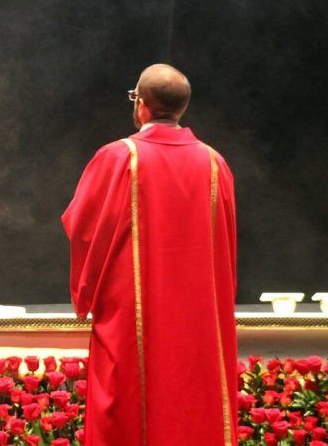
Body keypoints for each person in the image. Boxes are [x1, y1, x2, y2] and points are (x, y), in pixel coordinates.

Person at [61, 64, 238, 446]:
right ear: (181, 108)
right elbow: (226, 251)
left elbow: (84, 228)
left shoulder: (118, 158)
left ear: (140, 104)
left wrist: (85, 292)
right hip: (197, 327)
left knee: (129, 416)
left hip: (132, 324)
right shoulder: (215, 164)